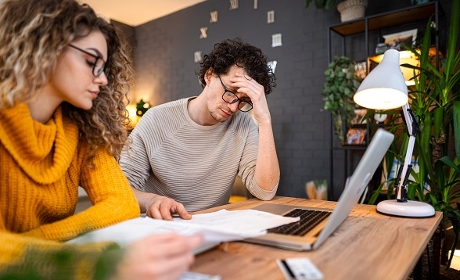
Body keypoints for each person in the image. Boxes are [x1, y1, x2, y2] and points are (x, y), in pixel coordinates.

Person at [0, 0, 201, 278]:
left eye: (104, 67)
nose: (103, 79)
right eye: (91, 61)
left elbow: (122, 205)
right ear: (43, 47)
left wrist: (32, 244)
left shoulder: (82, 132)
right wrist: (91, 261)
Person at [120, 38, 280, 220]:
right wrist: (152, 201)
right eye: (231, 91)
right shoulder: (156, 120)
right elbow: (120, 187)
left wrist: (264, 120)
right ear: (209, 76)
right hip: (162, 227)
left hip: (212, 228)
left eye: (244, 100)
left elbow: (265, 192)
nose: (234, 107)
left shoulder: (244, 125)